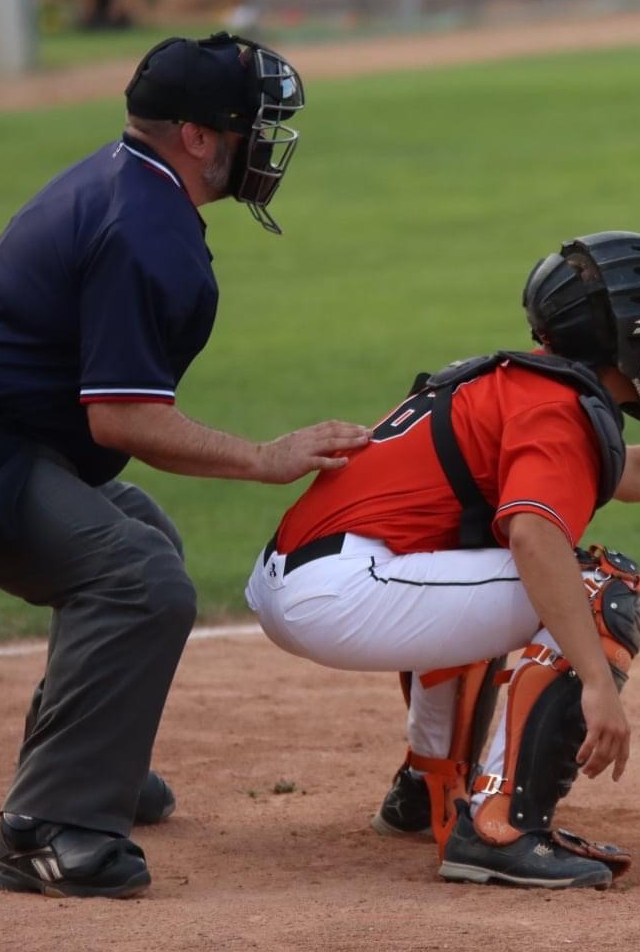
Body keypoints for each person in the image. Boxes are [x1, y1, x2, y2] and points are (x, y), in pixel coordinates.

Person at [245, 230, 640, 889]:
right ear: (627, 338)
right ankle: (501, 828)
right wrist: (593, 680)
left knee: (486, 574)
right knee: (593, 588)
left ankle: (429, 786)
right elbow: (534, 537)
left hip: (312, 577)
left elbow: (623, 474)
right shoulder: (555, 408)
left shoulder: (530, 386)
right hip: (343, 588)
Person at [0, 33, 371, 899]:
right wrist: (263, 457)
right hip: (11, 449)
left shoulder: (124, 181)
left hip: (21, 439)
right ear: (199, 137)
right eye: (256, 127)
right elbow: (123, 416)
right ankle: (48, 828)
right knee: (138, 580)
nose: (268, 144)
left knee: (142, 533)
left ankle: (88, 767)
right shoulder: (142, 227)